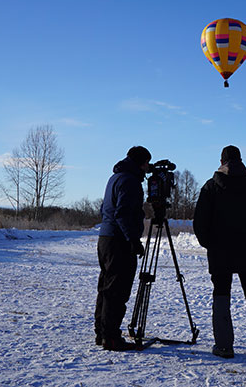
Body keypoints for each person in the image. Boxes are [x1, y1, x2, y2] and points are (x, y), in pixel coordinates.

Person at [193, 145, 246, 359]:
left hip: (220, 250)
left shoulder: (211, 186)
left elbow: (200, 222)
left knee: (221, 294)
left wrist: (209, 243)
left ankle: (224, 346)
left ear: (221, 161)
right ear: (240, 159)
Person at [94, 146, 151, 351]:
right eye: (146, 163)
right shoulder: (130, 181)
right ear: (141, 162)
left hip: (106, 238)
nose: (147, 168)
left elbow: (104, 209)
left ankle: (102, 333)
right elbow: (123, 213)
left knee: (106, 288)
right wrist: (133, 240)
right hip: (118, 242)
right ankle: (110, 337)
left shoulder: (115, 178)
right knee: (117, 290)